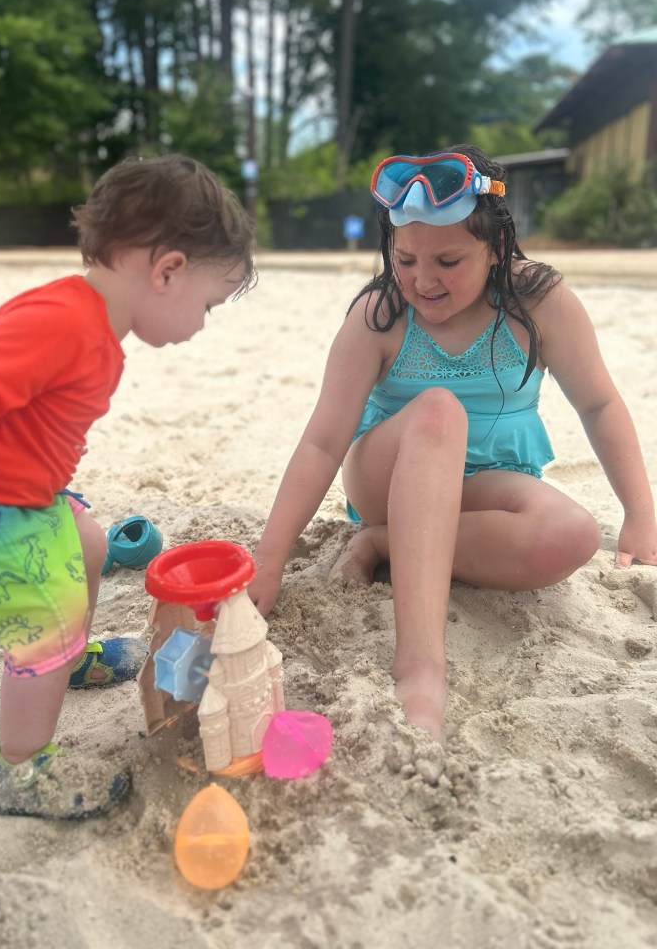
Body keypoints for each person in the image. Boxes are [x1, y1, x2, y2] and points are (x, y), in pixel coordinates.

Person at [249, 145, 657, 743]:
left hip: (486, 483)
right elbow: (322, 442)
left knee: (570, 533)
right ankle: (420, 667)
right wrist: (270, 558)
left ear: (495, 247)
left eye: (447, 260)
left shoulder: (539, 304)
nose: (422, 279)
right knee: (439, 409)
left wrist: (641, 515)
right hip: (386, 477)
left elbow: (598, 404)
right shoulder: (380, 314)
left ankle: (384, 546)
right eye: (405, 258)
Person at [0, 153, 255, 818]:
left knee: (86, 541)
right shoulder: (62, 321)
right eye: (208, 304)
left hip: (12, 498)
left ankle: (71, 659)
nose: (202, 323)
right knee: (44, 626)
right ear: (168, 270)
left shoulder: (93, 326)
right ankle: (20, 771)